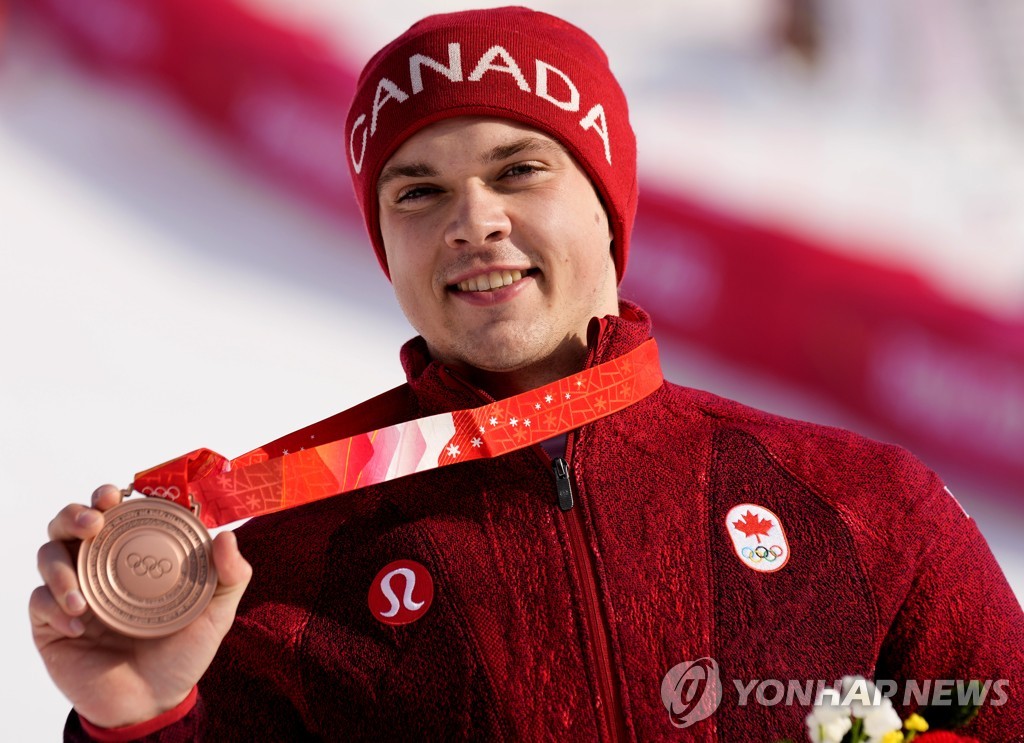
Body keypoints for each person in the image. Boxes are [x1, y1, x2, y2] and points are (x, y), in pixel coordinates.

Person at [30, 7, 1024, 741]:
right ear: (386, 245)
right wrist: (140, 719)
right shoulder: (284, 570)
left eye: (517, 171)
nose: (473, 220)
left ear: (607, 206)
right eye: (418, 190)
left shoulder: (860, 506)